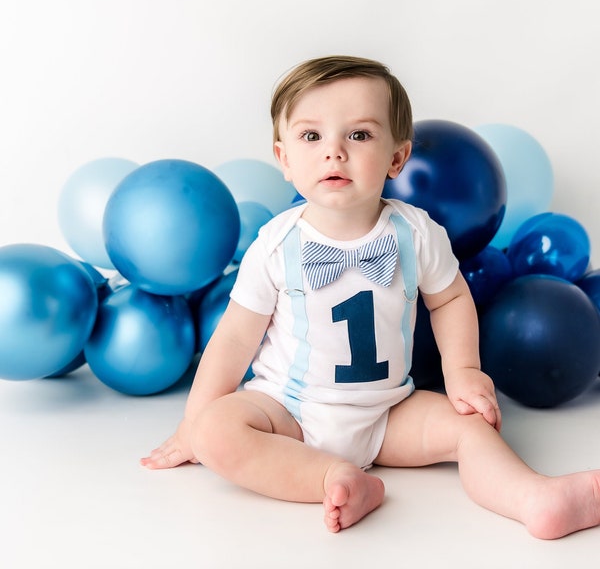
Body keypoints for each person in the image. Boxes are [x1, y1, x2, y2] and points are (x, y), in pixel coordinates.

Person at [141, 55, 600, 538]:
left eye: (358, 135)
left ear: (397, 158)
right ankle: (332, 478)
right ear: (284, 159)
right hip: (289, 411)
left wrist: (463, 371)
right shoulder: (277, 245)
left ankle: (535, 498)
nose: (334, 152)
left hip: (388, 411)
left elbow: (450, 300)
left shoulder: (416, 232)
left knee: (470, 427)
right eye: (311, 136)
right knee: (217, 431)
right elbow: (233, 339)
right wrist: (192, 423)